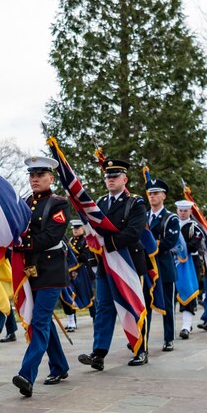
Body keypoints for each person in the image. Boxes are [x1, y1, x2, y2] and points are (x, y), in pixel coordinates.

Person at [77, 159, 146, 371]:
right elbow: (94, 232)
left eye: (115, 176)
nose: (111, 180)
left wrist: (108, 243)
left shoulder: (135, 203)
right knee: (104, 307)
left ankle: (140, 350)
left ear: (125, 179)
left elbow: (135, 232)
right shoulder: (99, 203)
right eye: (108, 176)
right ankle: (99, 353)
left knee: (133, 306)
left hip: (129, 264)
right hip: (106, 264)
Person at [11, 156, 71, 397]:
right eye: (32, 175)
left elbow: (52, 237)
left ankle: (27, 374)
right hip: (30, 271)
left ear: (50, 178)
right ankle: (59, 366)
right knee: (43, 322)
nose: (34, 179)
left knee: (39, 322)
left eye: (40, 175)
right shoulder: (25, 202)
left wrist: (21, 244)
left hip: (51, 271)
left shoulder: (59, 203)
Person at [144, 176, 179, 351]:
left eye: (156, 193)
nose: (152, 196)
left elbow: (170, 241)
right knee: (145, 305)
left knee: (167, 305)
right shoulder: (143, 216)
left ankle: (168, 338)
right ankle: (143, 340)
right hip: (147, 268)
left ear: (164, 196)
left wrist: (151, 246)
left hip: (164, 267)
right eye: (150, 193)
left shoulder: (170, 218)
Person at [175, 200, 204, 337]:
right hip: (173, 263)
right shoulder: (172, 224)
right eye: (180, 210)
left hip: (191, 264)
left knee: (188, 293)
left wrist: (175, 247)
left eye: (185, 211)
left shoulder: (195, 228)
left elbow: (193, 245)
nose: (182, 213)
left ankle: (186, 326)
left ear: (190, 212)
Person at [61, 218, 93, 331]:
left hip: (82, 272)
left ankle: (95, 318)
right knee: (71, 294)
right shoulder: (69, 240)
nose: (75, 230)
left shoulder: (86, 241)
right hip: (70, 272)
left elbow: (84, 256)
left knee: (87, 295)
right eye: (74, 228)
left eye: (77, 228)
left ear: (83, 229)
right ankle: (72, 322)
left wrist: (73, 257)